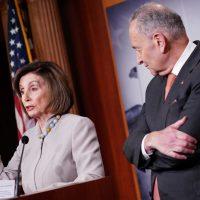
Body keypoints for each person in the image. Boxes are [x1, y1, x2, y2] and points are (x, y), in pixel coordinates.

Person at [123, 2, 200, 200]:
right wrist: (151, 140)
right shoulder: (154, 87)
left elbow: (184, 150)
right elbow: (130, 145)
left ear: (159, 41)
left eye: (138, 49)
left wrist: (144, 150)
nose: (138, 59)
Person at [0, 61, 105, 194]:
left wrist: (45, 194)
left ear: (54, 89)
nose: (25, 97)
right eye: (22, 91)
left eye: (33, 88)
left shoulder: (78, 126)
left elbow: (93, 179)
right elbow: (4, 187)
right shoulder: (27, 138)